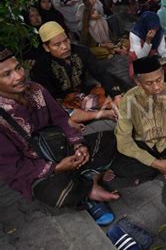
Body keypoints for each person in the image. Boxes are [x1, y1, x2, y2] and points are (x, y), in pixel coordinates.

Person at [0, 47, 120, 209]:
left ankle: (85, 179)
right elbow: (11, 165)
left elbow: (62, 119)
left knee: (112, 139)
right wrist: (56, 168)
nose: (20, 76)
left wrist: (78, 144)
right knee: (58, 194)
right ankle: (89, 185)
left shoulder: (36, 90)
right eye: (7, 74)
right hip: (35, 169)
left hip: (63, 147)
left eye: (18, 67)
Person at [114, 56, 166, 184]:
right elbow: (124, 140)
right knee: (120, 165)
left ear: (163, 74)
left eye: (159, 80)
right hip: (145, 144)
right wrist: (155, 163)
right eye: (149, 83)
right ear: (138, 83)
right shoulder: (128, 100)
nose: (157, 87)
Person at [31, 21, 122, 125]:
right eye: (57, 45)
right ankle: (102, 114)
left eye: (66, 41)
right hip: (61, 103)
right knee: (60, 113)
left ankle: (98, 112)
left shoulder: (82, 52)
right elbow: (48, 99)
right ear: (46, 48)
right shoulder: (40, 67)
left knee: (114, 95)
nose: (65, 47)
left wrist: (117, 95)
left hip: (83, 95)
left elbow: (101, 73)